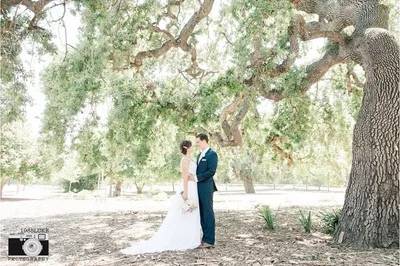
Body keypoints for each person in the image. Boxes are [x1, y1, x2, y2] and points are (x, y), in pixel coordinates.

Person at [120, 140, 201, 254]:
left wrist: (195, 178)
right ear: (185, 147)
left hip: (194, 187)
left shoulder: (191, 159)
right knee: (185, 212)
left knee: (193, 213)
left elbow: (192, 175)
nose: (193, 147)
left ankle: (191, 236)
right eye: (191, 146)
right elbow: (184, 177)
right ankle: (182, 238)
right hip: (189, 189)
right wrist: (186, 194)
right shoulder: (184, 160)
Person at [195, 133, 218, 248]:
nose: (197, 144)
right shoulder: (199, 155)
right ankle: (204, 238)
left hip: (207, 187)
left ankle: (210, 240)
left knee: (208, 212)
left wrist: (197, 178)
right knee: (201, 213)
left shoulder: (212, 154)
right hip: (197, 187)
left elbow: (211, 171)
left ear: (204, 141)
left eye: (198, 141)